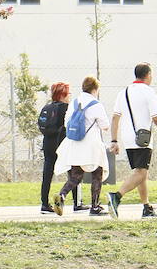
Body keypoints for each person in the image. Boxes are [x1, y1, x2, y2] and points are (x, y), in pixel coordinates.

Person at [107, 63, 157, 219]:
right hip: (142, 138)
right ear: (148, 75)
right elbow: (156, 117)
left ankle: (146, 207)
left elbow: (115, 117)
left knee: (140, 171)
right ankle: (116, 196)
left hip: (128, 138)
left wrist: (114, 140)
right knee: (141, 172)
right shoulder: (148, 92)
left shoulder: (123, 92)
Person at [53, 76, 111, 216]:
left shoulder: (74, 102)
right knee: (97, 174)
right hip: (92, 144)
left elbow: (67, 123)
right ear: (95, 89)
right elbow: (105, 126)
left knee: (75, 176)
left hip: (75, 143)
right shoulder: (96, 104)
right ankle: (95, 206)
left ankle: (61, 196)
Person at [38, 82, 71, 213]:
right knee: (73, 172)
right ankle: (77, 203)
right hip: (61, 144)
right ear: (63, 95)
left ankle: (44, 204)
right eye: (68, 93)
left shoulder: (47, 107)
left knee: (47, 174)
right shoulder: (66, 108)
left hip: (48, 143)